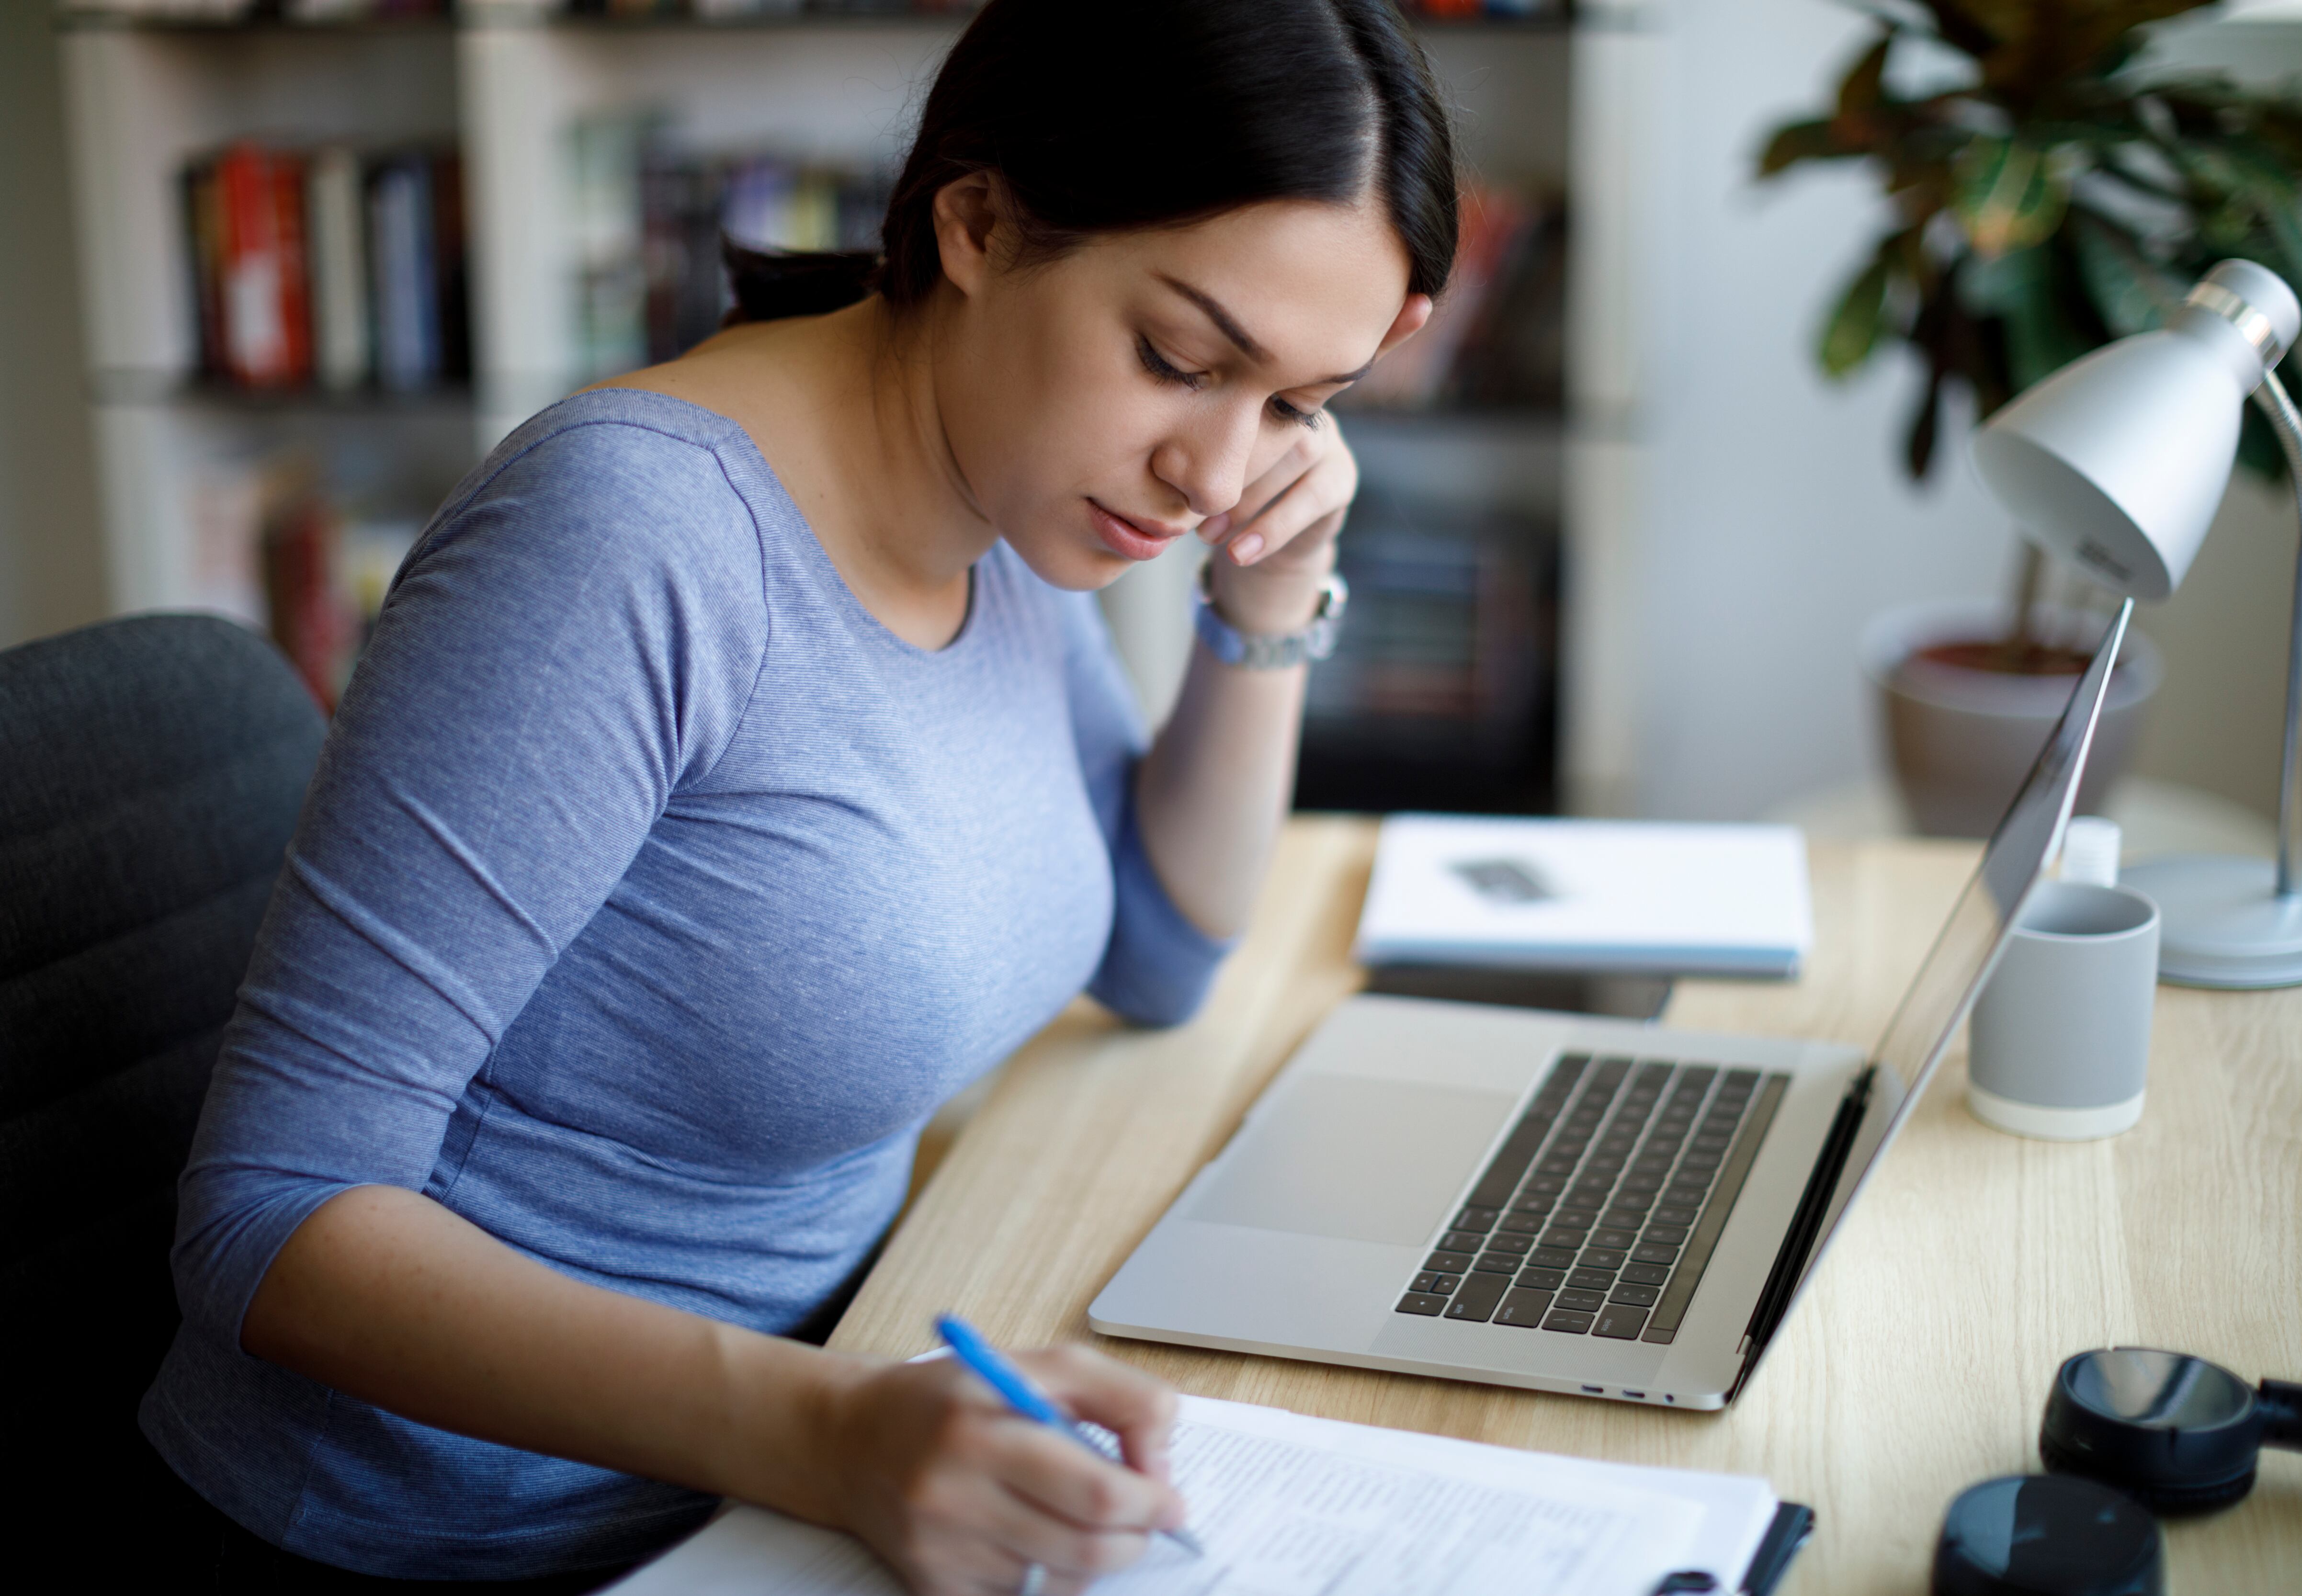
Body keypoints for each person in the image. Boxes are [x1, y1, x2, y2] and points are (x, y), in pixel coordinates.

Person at [139, 2, 1457, 1592]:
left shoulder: (1022, 492)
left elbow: (1164, 946)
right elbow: (266, 1219)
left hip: (794, 1458)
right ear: (975, 221)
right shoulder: (631, 545)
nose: (1223, 475)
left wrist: (1269, 601)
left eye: (1300, 406)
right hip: (467, 1542)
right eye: (1184, 359)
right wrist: (832, 1434)